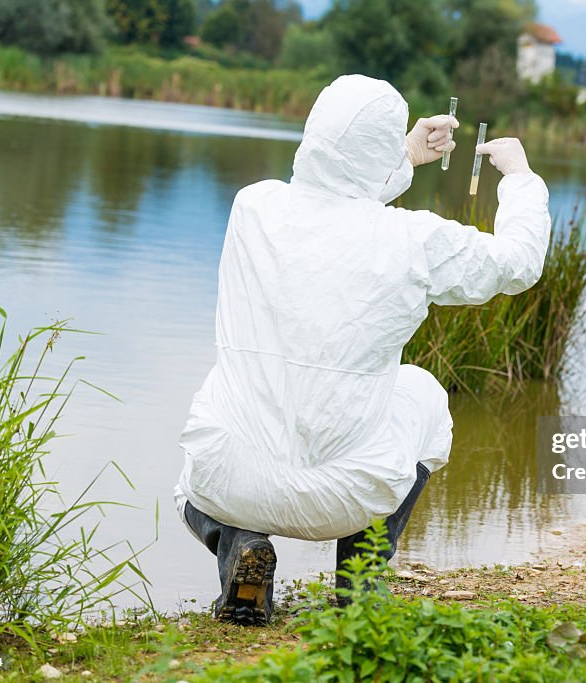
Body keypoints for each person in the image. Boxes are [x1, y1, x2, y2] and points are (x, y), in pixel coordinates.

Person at [173, 74, 551, 626]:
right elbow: (518, 263)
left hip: (230, 485)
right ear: (376, 150)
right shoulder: (412, 240)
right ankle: (359, 583)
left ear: (312, 134)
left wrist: (404, 157)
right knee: (421, 393)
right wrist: (521, 179)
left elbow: (327, 204)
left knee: (214, 407)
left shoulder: (252, 207)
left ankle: (240, 547)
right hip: (346, 499)